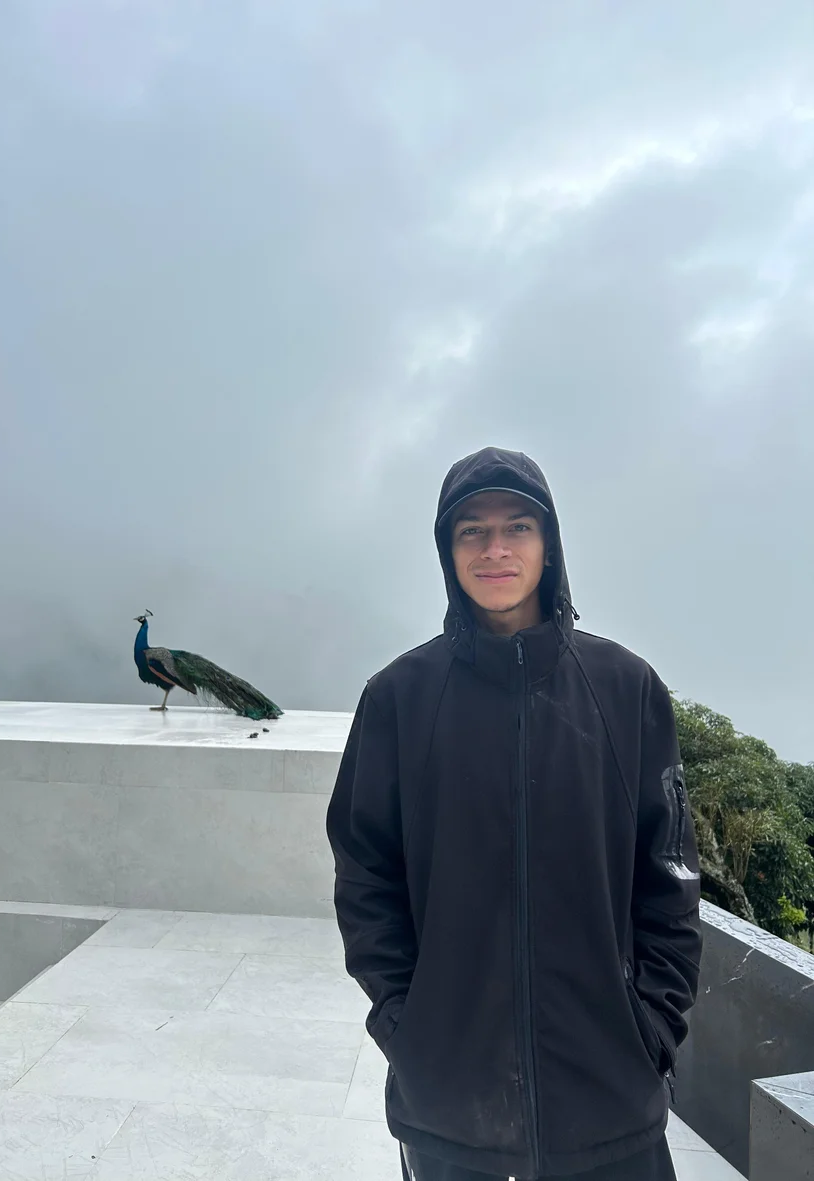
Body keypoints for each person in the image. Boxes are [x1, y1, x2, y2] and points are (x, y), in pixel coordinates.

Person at [326, 446, 702, 1181]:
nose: (495, 548)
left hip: (611, 1104)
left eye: (517, 527)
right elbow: (364, 873)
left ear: (549, 545)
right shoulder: (398, 698)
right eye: (472, 530)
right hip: (451, 1111)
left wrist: (651, 1027)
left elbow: (670, 875)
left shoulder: (626, 690)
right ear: (447, 551)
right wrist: (407, 1023)